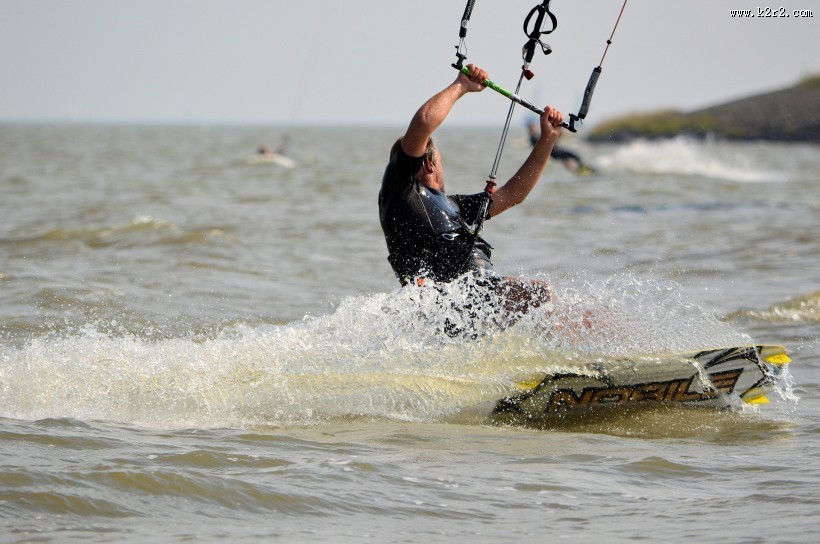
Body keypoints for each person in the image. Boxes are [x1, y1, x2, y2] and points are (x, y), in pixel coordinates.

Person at [378, 64, 565, 324]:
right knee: (542, 295)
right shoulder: (401, 191)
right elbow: (422, 125)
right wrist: (461, 85)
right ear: (430, 163)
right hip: (450, 302)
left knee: (574, 312)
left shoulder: (453, 205)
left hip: (479, 299)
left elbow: (514, 193)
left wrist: (548, 139)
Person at [528, 119, 596, 175]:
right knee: (574, 156)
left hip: (555, 151)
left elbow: (548, 140)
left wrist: (557, 134)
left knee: (567, 161)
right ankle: (584, 170)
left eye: (535, 126)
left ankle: (580, 171)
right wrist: (557, 134)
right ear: (531, 129)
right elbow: (544, 144)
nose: (535, 128)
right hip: (555, 152)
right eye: (533, 127)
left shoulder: (537, 135)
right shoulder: (533, 138)